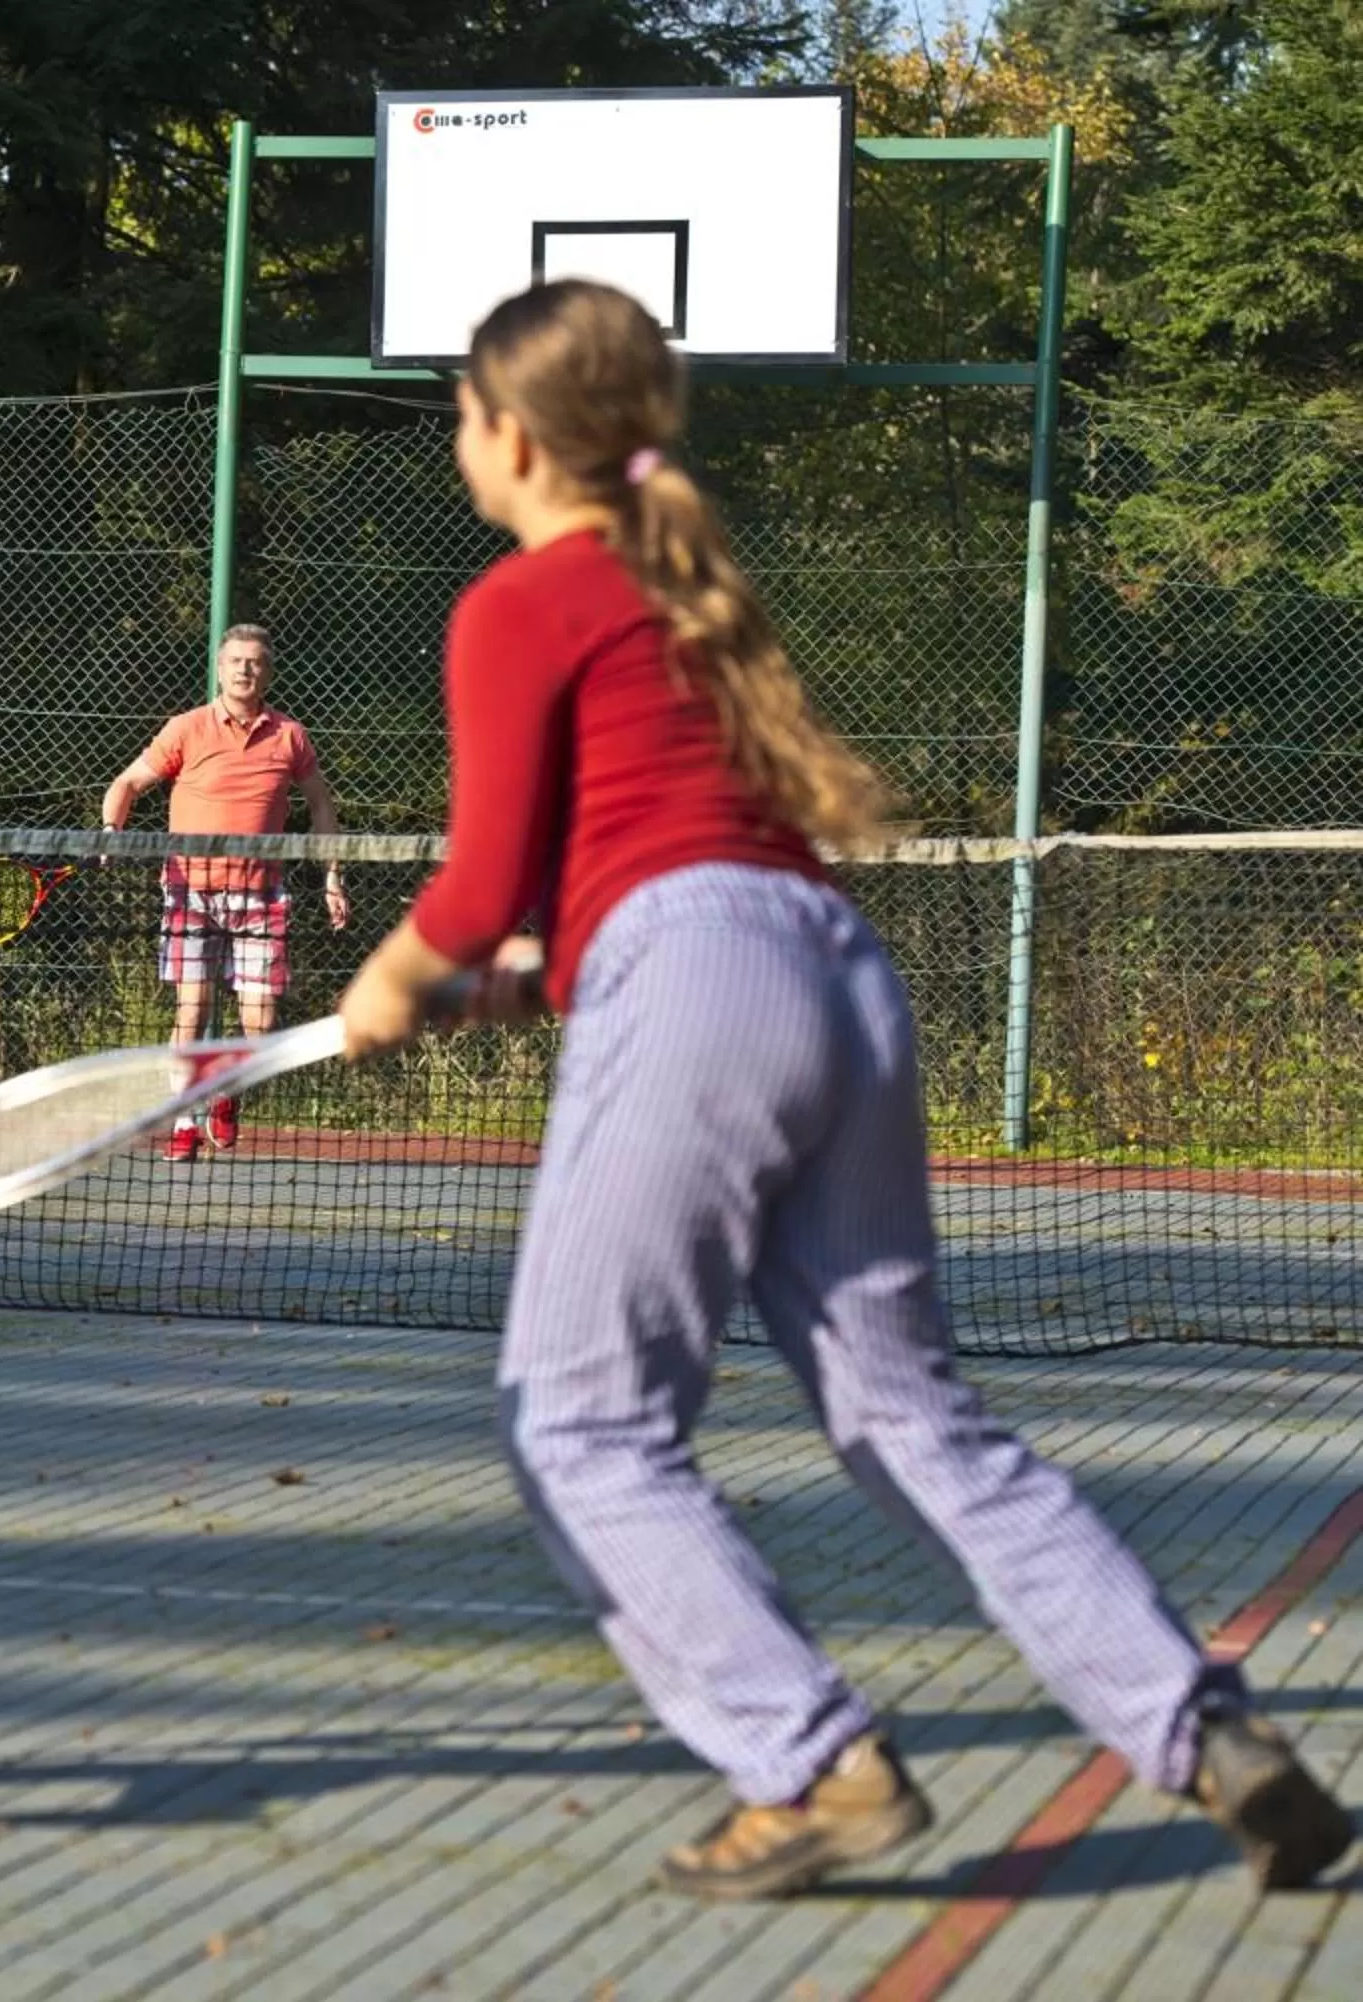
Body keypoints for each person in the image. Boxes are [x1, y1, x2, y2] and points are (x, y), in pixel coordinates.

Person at [336, 279, 1349, 1901]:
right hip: (830, 975)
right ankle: (1208, 1726)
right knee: (915, 1416)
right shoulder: (679, 584)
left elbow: (476, 890)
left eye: (459, 410)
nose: (458, 439)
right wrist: (534, 980)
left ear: (514, 433)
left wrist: (392, 988)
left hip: (703, 981)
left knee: (581, 1422)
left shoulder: (522, 597)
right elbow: (654, 870)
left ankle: (811, 1762)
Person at [101, 626, 352, 1161]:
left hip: (260, 894)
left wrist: (333, 875)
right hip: (190, 890)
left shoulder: (290, 736)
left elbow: (321, 808)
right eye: (235, 661)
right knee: (192, 1010)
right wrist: (111, 831)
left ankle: (225, 1096)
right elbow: (126, 785)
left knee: (259, 1024)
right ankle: (185, 1122)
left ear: (268, 672)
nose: (245, 670)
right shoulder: (186, 729)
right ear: (219, 669)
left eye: (256, 662)